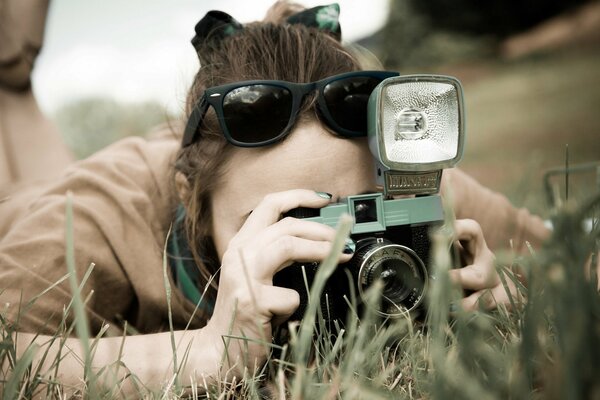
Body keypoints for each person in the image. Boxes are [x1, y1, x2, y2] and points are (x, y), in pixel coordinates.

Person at [0, 1, 550, 395]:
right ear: (192, 201)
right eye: (286, 220)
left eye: (355, 213)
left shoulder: (411, 190)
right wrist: (207, 351)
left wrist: (509, 281)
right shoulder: (106, 207)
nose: (323, 246)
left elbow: (568, 252)